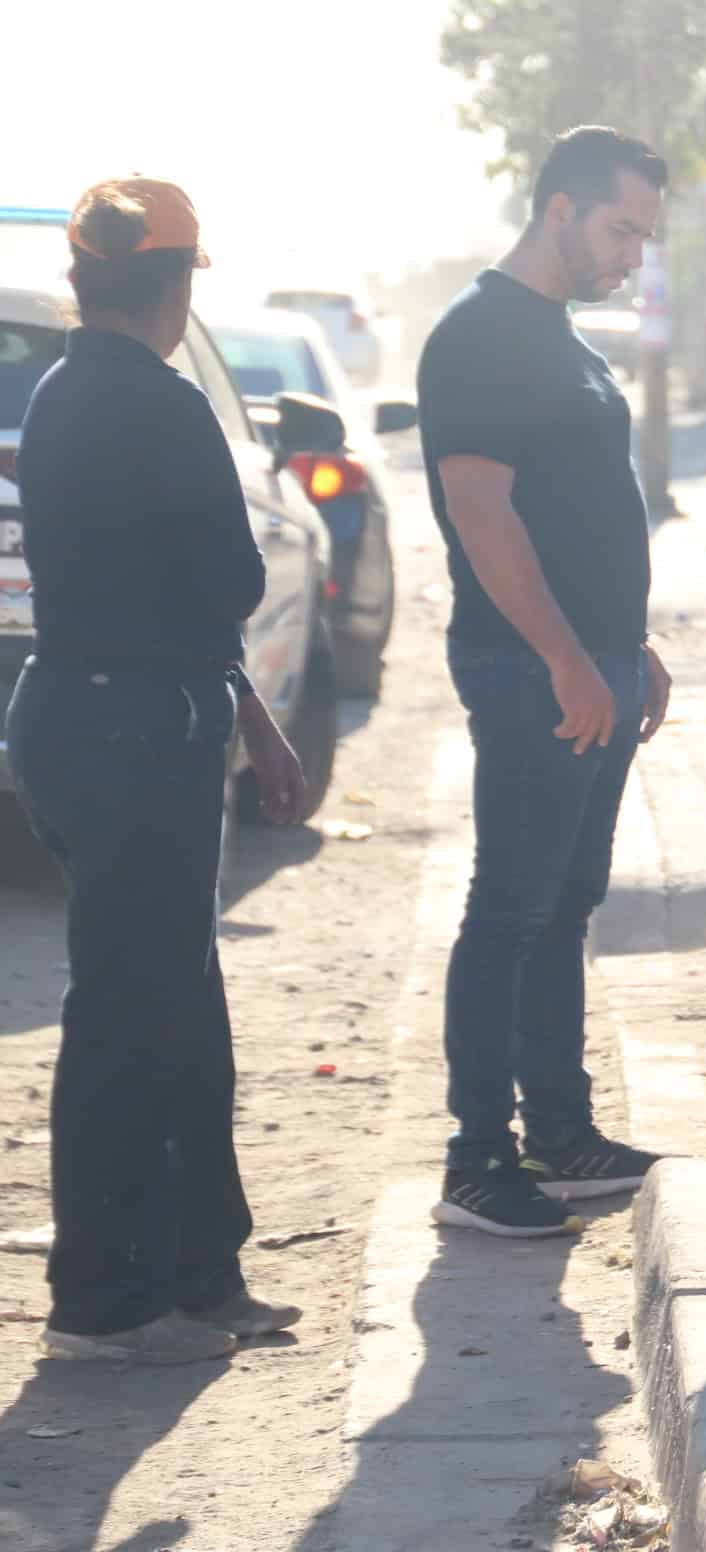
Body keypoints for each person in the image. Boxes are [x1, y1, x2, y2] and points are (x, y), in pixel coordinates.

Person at [8, 179, 306, 1363]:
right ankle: (97, 1288)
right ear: (176, 289)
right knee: (136, 1006)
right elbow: (232, 585)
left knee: (165, 999)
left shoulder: (56, 394)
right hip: (140, 738)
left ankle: (190, 1267)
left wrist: (250, 714)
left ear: (85, 281)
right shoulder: (170, 405)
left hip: (74, 719)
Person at [418, 127, 675, 1239]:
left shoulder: (562, 339)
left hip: (596, 665)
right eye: (622, 229)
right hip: (530, 670)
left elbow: (583, 505)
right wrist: (569, 659)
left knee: (566, 904)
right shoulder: (481, 335)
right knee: (510, 907)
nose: (632, 256)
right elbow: (484, 512)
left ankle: (560, 1133)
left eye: (644, 237)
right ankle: (477, 1155)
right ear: (559, 209)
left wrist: (629, 646)